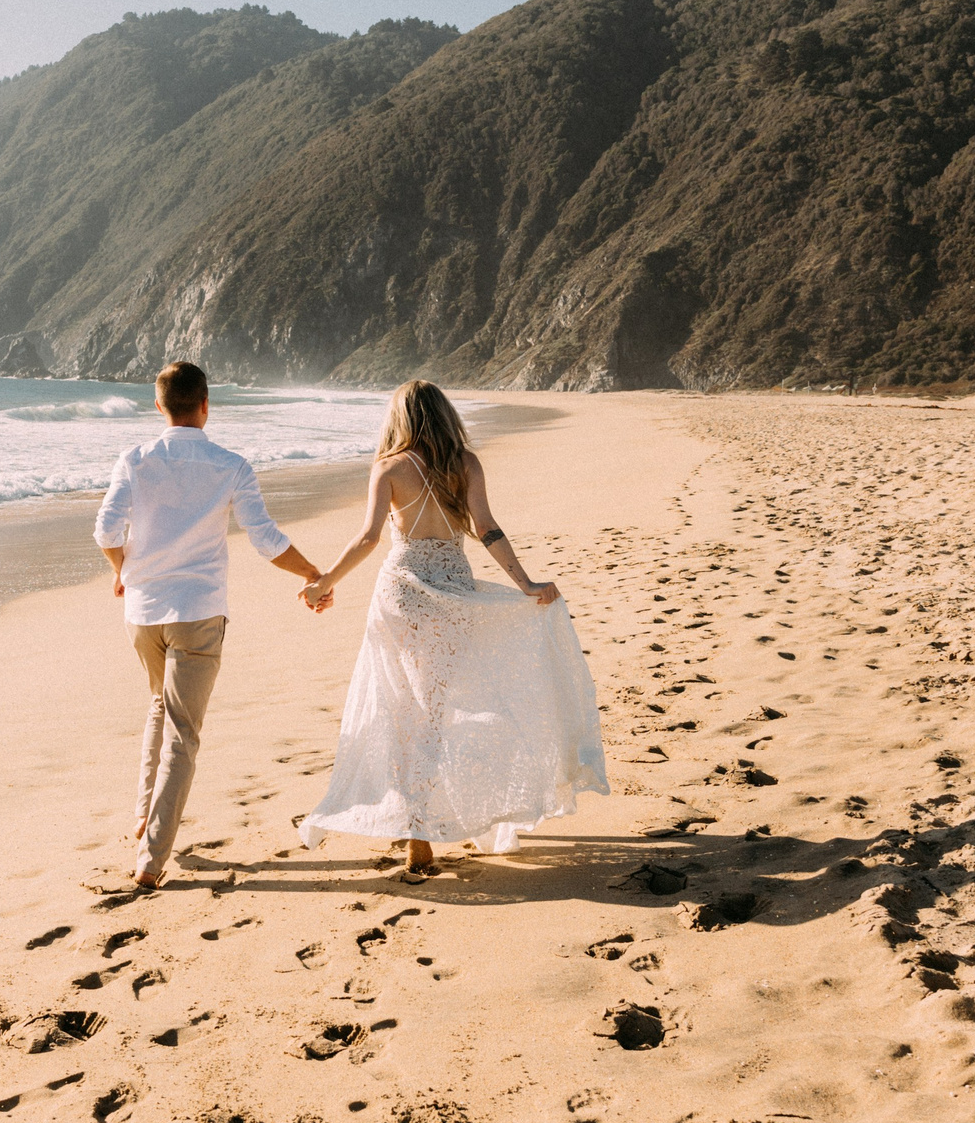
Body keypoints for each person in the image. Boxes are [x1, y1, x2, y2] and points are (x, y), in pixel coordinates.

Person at [296, 379, 606, 877]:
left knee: (403, 705)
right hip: (452, 593)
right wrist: (524, 583)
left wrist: (324, 583)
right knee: (437, 706)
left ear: (400, 417)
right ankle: (431, 817)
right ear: (443, 413)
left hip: (402, 593)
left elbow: (369, 538)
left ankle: (417, 828)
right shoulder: (466, 464)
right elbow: (486, 528)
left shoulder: (389, 468)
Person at [95, 361, 325, 890]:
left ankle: (143, 817)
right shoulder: (231, 464)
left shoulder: (134, 458)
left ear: (159, 406)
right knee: (182, 732)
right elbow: (265, 539)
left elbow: (105, 528)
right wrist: (312, 572)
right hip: (197, 611)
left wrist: (122, 572)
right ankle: (152, 858)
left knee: (161, 707)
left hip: (144, 613)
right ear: (205, 405)